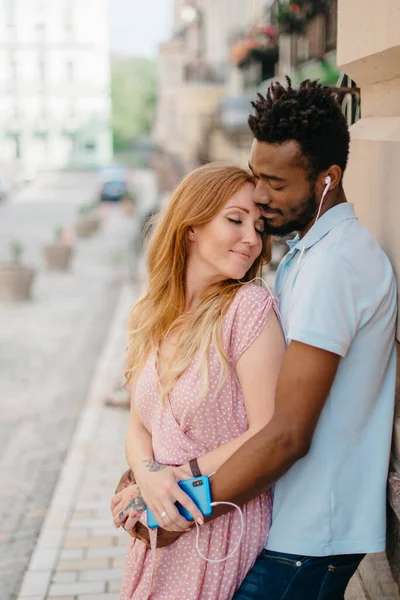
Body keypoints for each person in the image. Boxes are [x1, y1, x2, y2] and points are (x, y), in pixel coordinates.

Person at [120, 78, 397, 599]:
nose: (262, 199)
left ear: (326, 180)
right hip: (284, 522)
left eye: (275, 183)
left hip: (311, 530)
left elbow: (287, 432)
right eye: (256, 179)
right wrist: (149, 476)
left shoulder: (334, 267)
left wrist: (178, 506)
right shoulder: (305, 257)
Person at [111, 163, 286, 599]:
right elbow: (138, 424)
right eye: (235, 219)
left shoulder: (248, 308)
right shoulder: (153, 314)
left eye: (259, 226)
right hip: (162, 528)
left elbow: (267, 429)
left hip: (220, 526)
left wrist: (171, 478)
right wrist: (149, 478)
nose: (252, 237)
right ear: (191, 227)